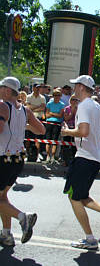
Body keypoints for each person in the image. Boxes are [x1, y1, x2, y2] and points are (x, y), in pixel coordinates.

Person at [61, 75, 100, 250]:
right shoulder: (97, 106)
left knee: (73, 197)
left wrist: (67, 132)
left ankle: (90, 239)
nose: (74, 88)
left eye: (76, 85)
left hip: (85, 157)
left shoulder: (84, 105)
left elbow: (83, 131)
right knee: (82, 195)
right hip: (96, 157)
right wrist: (96, 140)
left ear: (82, 87)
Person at [0, 77, 45, 246]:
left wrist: (12, 126)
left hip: (3, 158)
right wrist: (22, 127)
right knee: (3, 198)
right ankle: (6, 234)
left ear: (6, 90)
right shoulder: (25, 110)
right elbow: (41, 130)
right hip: (17, 159)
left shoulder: (3, 106)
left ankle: (22, 217)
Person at [26, 83, 46, 162]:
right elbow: (28, 107)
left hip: (39, 119)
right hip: (30, 119)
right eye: (36, 87)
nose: (38, 89)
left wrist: (33, 108)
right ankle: (28, 154)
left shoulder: (42, 97)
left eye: (39, 88)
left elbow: (42, 108)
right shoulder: (28, 97)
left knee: (38, 139)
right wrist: (37, 106)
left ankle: (37, 156)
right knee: (28, 139)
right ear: (33, 88)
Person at [44, 88, 65, 164]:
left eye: (58, 95)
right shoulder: (49, 103)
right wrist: (54, 114)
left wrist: (52, 113)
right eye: (55, 95)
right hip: (49, 123)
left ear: (60, 96)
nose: (57, 97)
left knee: (54, 140)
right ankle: (48, 156)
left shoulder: (62, 104)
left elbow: (60, 115)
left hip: (57, 124)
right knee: (48, 140)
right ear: (53, 96)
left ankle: (53, 156)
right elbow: (47, 115)